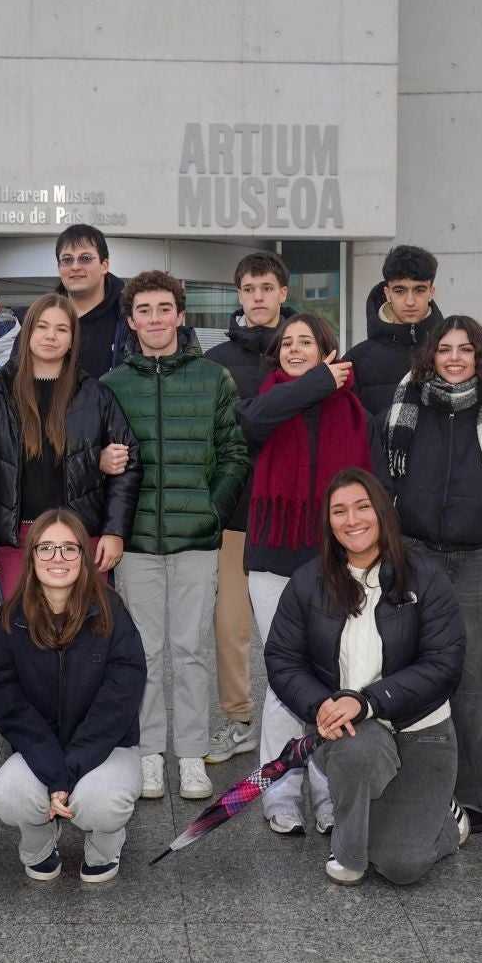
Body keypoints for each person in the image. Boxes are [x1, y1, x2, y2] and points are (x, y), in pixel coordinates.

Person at [372, 314, 482, 832]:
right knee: (406, 672)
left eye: (466, 349)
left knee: (478, 681)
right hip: (414, 558)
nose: (455, 358)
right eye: (445, 349)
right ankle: (410, 784)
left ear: (480, 356)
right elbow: (379, 482)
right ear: (431, 356)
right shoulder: (400, 413)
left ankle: (473, 795)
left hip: (479, 562)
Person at [265, 470, 469, 884]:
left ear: (382, 512)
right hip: (348, 732)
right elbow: (282, 659)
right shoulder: (308, 582)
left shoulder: (424, 577)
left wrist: (369, 700)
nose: (352, 520)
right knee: (359, 753)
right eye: (339, 511)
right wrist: (320, 703)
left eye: (362, 507)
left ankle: (443, 817)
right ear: (328, 523)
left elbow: (444, 664)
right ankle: (351, 855)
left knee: (402, 864)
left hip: (422, 730)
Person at [102, 270, 250, 802]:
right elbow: (104, 460)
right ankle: (147, 755)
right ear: (131, 319)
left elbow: (235, 452)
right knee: (143, 650)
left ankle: (189, 756)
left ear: (180, 316)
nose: (156, 319)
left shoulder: (213, 379)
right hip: (137, 543)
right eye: (145, 310)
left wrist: (212, 509)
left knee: (190, 649)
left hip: (196, 539)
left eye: (165, 308)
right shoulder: (113, 384)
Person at [238, 311, 370, 835]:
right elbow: (250, 424)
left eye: (306, 342)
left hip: (334, 562)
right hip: (273, 560)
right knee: (284, 679)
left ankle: (326, 789)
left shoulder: (354, 412)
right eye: (286, 343)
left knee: (331, 677)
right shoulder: (264, 402)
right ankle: (279, 790)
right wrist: (315, 383)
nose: (294, 349)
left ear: (326, 350)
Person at [0, 509, 147, 885]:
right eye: (47, 548)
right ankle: (39, 844)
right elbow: (10, 707)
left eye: (70, 548)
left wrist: (70, 771)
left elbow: (118, 703)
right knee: (8, 795)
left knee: (100, 803)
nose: (58, 558)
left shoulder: (112, 613)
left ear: (84, 558)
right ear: (32, 556)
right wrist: (55, 772)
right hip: (40, 746)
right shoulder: (10, 620)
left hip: (107, 745)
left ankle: (105, 844)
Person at [0, 292, 140, 598]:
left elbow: (128, 466)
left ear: (73, 340)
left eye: (61, 329)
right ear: (28, 333)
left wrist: (114, 531)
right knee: (22, 628)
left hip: (81, 536)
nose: (51, 336)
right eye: (42, 327)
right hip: (18, 538)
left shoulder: (96, 395)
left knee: (84, 630)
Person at [200, 250, 296, 767]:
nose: (258, 298)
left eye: (267, 288)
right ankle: (237, 718)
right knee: (230, 624)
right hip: (237, 517)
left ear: (284, 292)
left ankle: (303, 715)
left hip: (293, 518)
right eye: (249, 289)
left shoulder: (304, 350)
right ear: (239, 296)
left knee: (293, 624)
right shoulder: (216, 362)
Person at [346, 244, 444, 416]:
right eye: (400, 290)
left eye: (419, 290)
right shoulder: (356, 361)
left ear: (431, 292)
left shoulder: (453, 354)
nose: (410, 301)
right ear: (387, 293)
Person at [53, 223, 131, 379]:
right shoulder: (40, 320)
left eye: (85, 258)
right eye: (67, 259)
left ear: (105, 265)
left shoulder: (130, 320)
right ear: (58, 268)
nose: (75, 266)